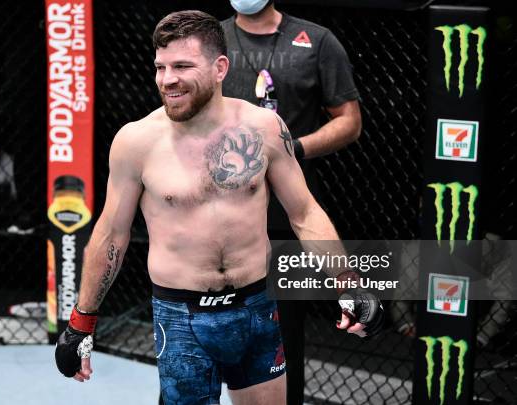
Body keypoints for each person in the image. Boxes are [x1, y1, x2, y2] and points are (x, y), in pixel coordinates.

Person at [55, 10, 382, 405]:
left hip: (255, 306)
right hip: (182, 317)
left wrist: (348, 282)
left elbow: (304, 213)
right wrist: (81, 321)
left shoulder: (264, 128)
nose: (167, 79)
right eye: (160, 67)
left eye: (181, 66)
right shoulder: (136, 141)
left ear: (219, 67)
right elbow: (112, 233)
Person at [220, 1, 362, 404]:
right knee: (202, 338)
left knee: (282, 347)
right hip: (217, 216)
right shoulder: (210, 40)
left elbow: (349, 120)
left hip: (286, 215)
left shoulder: (316, 40)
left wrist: (290, 150)